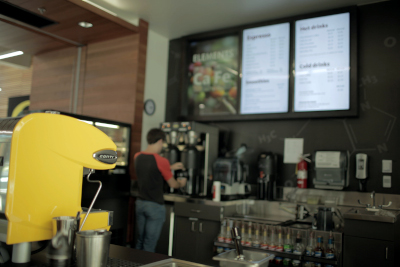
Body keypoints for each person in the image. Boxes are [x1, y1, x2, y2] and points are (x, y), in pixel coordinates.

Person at [134, 128, 186, 252]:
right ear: (160, 141)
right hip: (155, 206)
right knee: (149, 244)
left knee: (139, 241)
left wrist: (170, 167)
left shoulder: (137, 156)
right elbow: (173, 185)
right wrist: (181, 183)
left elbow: (149, 170)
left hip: (140, 204)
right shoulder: (161, 160)